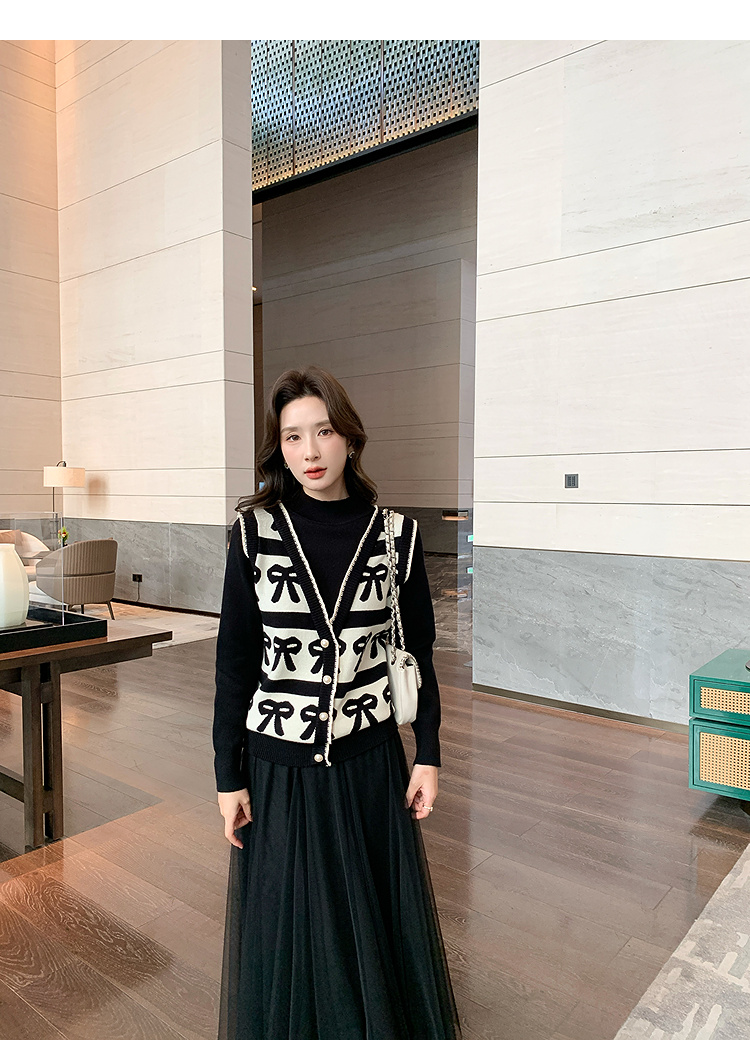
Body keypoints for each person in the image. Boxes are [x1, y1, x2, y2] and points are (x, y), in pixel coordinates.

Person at [212, 365, 462, 1040]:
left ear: (350, 437)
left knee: (370, 928)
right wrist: (228, 775)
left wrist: (428, 754)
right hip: (279, 765)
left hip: (368, 763)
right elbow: (235, 662)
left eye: (323, 432)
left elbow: (417, 655)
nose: (310, 452)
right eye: (293, 437)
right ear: (279, 448)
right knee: (292, 928)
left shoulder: (396, 536)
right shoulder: (253, 533)